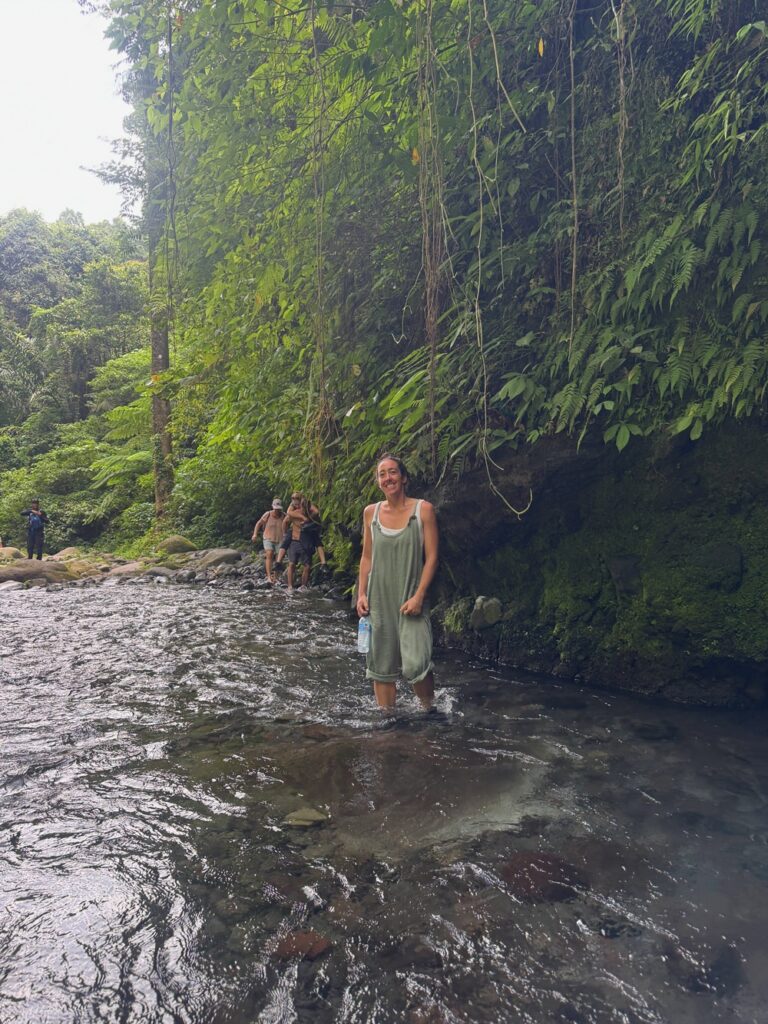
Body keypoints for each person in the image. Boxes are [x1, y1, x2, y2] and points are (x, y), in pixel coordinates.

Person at [356, 454, 438, 710]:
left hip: (410, 597)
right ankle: (387, 721)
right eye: (382, 474)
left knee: (417, 664)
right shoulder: (371, 513)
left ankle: (428, 709)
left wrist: (419, 595)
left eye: (392, 472)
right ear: (378, 482)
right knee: (380, 665)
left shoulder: (423, 510)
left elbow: (433, 557)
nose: (387, 478)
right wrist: (361, 594)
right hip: (378, 599)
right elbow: (367, 557)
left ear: (403, 477)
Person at [251, 498, 285, 582]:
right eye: (275, 508)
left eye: (278, 509)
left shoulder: (284, 515)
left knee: (278, 558)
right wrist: (255, 534)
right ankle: (269, 576)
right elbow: (258, 524)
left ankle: (276, 576)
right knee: (269, 554)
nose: (277, 510)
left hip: (280, 539)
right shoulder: (268, 514)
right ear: (273, 507)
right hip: (268, 537)